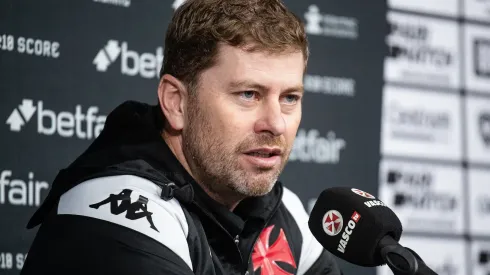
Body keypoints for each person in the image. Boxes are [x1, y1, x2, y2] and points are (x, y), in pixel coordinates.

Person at [21, 0, 343, 274]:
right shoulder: (116, 209)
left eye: (289, 98)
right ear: (177, 103)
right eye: (248, 94)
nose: (276, 124)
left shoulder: (285, 211)